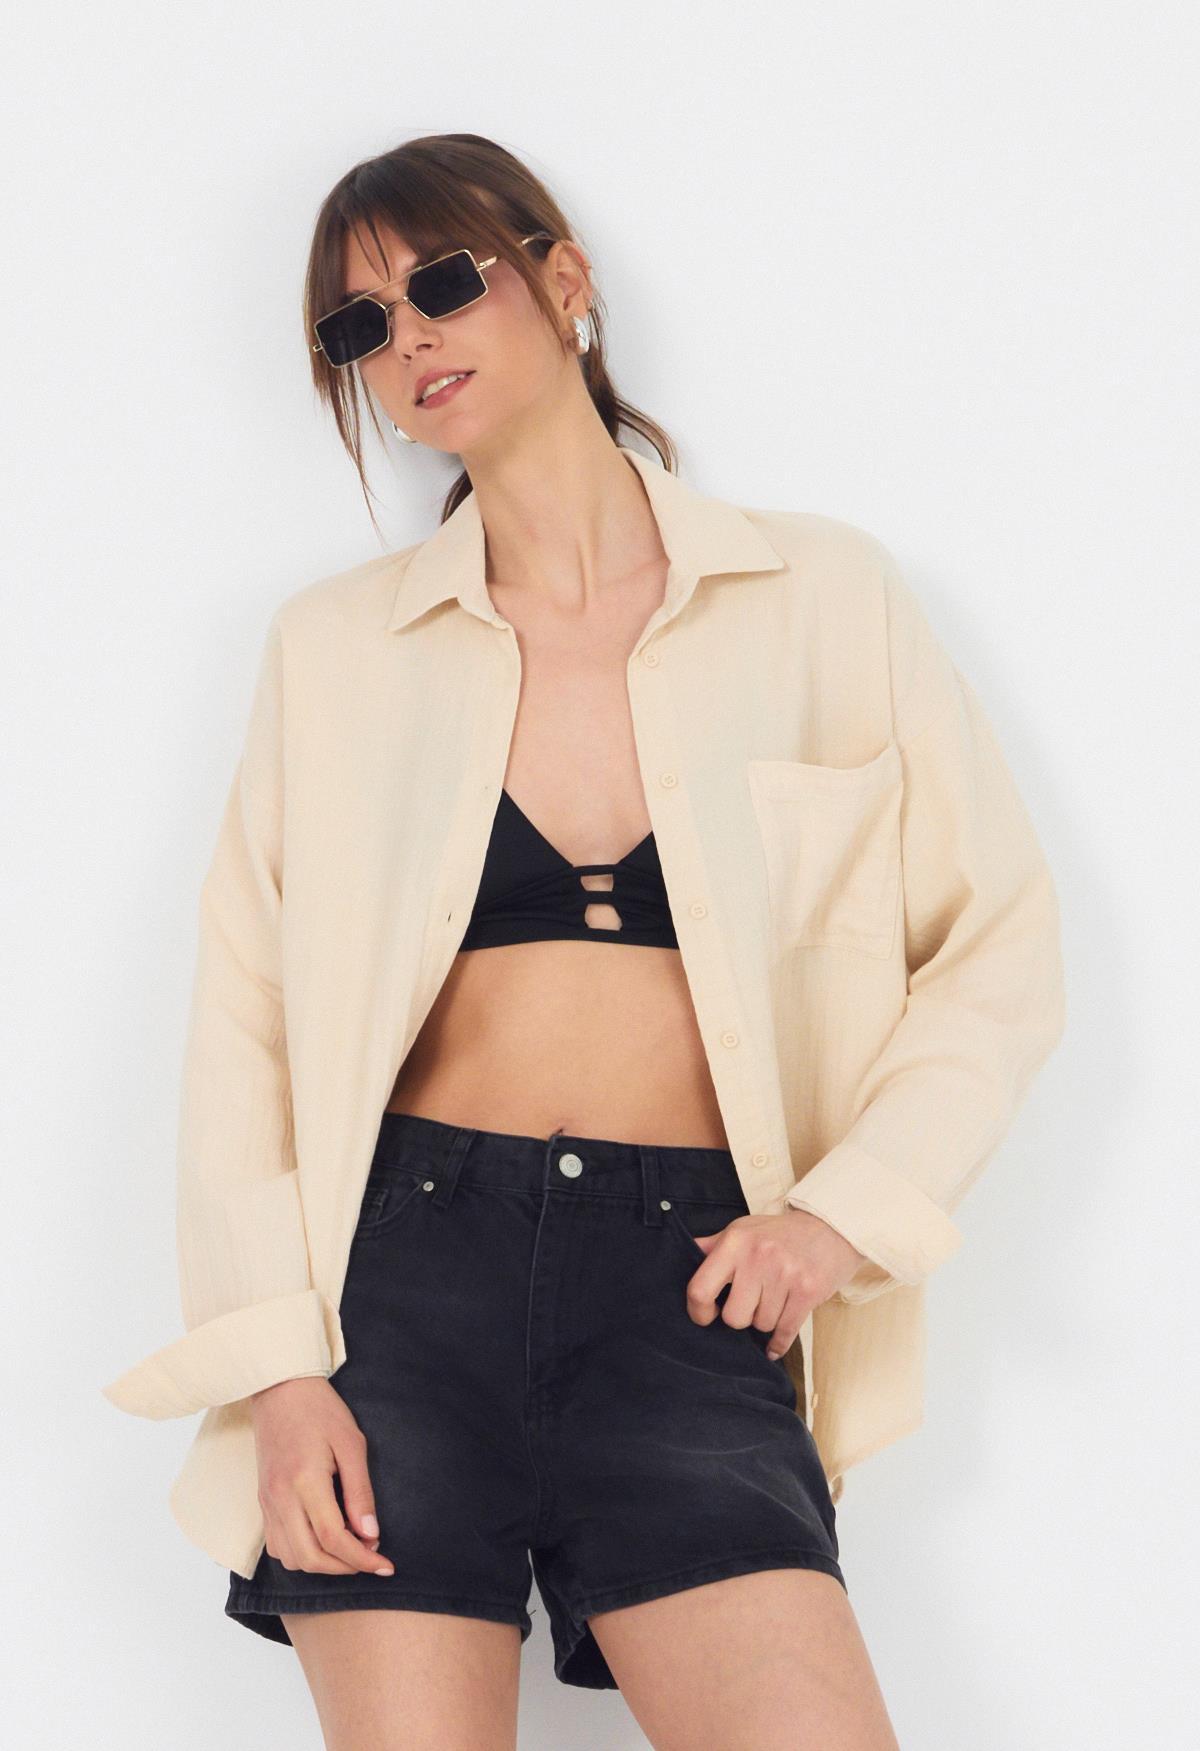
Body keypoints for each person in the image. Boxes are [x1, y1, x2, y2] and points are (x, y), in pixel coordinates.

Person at [102, 132, 1065, 1750]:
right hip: (402, 1293)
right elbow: (245, 1025)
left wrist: (839, 1220)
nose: (408, 337)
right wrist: (278, 1373)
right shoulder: (337, 652)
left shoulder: (824, 598)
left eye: (443, 281)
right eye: (359, 325)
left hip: (691, 1289)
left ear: (564, 282)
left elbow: (998, 951)